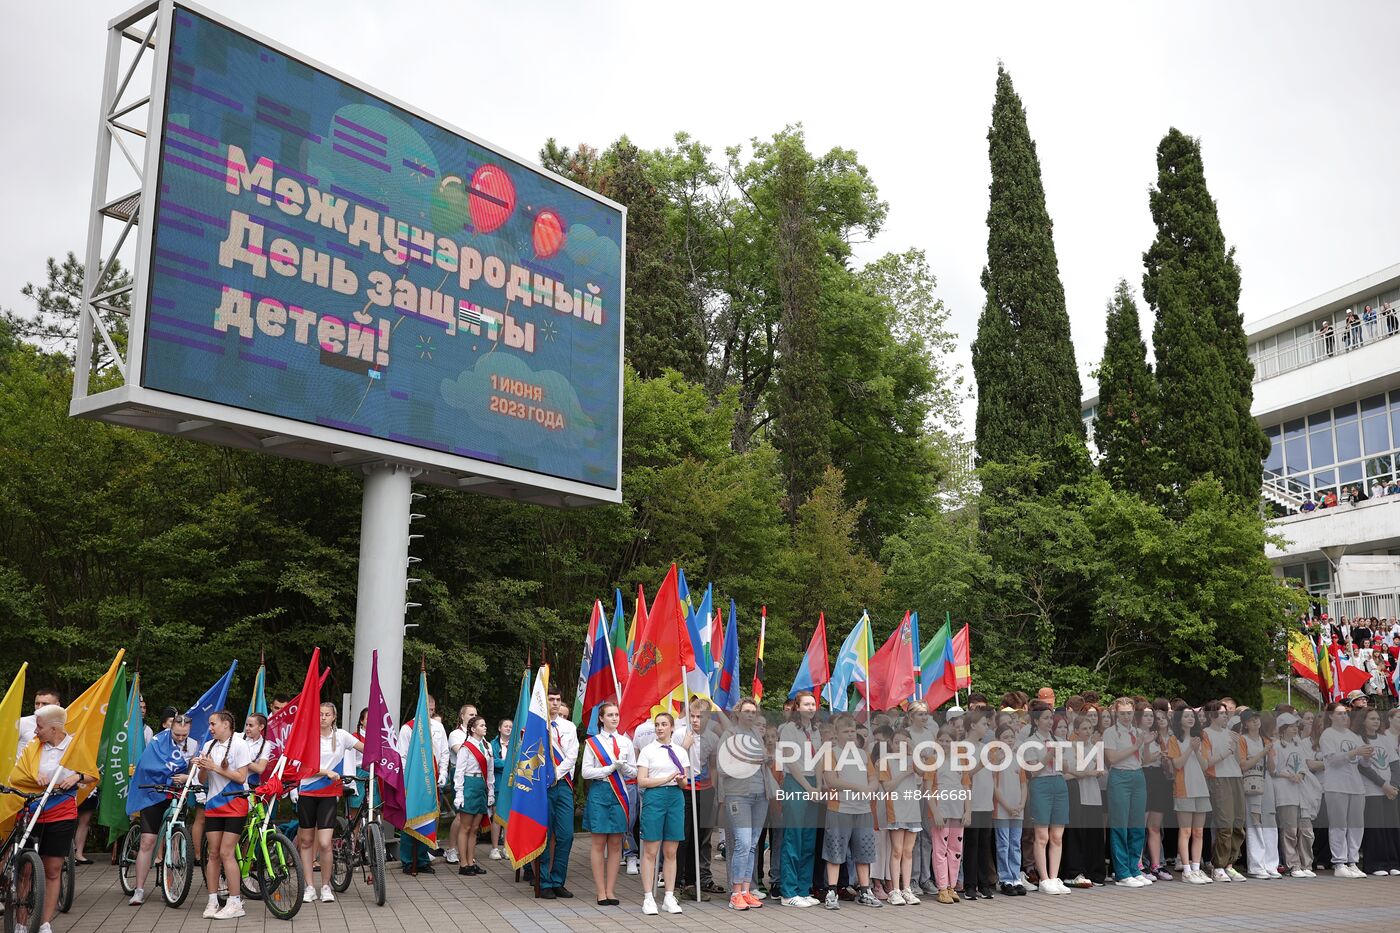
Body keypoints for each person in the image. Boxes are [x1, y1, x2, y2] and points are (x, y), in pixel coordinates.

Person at [10, 705, 94, 933]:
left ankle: (45, 922)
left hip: (62, 812)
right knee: (26, 869)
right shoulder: (32, 747)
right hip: (32, 810)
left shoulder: (75, 746)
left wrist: (77, 776)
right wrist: (33, 775)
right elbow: (17, 773)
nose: (36, 731)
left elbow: (92, 774)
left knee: (53, 869)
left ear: (55, 728)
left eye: (39, 727)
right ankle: (20, 921)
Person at [126, 713, 198, 906]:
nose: (181, 738)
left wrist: (187, 778)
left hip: (176, 794)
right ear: (170, 728)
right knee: (147, 841)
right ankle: (139, 890)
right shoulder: (158, 740)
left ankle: (170, 887)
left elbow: (193, 768)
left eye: (184, 735)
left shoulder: (194, 744)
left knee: (175, 842)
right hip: (153, 793)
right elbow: (147, 766)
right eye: (177, 734)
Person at [297, 701, 363, 904]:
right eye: (320, 714)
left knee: (325, 843)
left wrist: (382, 751)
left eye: (327, 714)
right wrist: (326, 772)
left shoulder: (341, 736)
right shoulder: (308, 735)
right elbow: (303, 765)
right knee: (307, 842)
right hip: (308, 791)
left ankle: (326, 886)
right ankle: (309, 886)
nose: (323, 717)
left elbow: (365, 748)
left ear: (334, 717)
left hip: (328, 794)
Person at [192, 710, 255, 919]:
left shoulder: (239, 744)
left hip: (235, 802)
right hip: (213, 804)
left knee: (227, 852)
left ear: (226, 724)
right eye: (210, 724)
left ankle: (235, 902)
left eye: (213, 724)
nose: (210, 728)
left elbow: (241, 777)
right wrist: (202, 767)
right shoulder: (209, 746)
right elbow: (202, 780)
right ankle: (212, 900)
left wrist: (215, 767)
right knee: (213, 853)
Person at [819, 714, 882, 909]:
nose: (850, 734)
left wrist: (871, 788)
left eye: (852, 731)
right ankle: (831, 891)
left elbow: (873, 778)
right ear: (837, 734)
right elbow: (831, 780)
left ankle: (865, 890)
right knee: (835, 852)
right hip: (840, 808)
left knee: (863, 852)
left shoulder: (863, 754)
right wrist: (857, 788)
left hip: (862, 810)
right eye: (845, 731)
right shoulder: (832, 753)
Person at [582, 701, 636, 906]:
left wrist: (622, 768)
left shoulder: (626, 742)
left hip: (620, 793)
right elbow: (586, 772)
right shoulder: (592, 743)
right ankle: (600, 891)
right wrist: (609, 768)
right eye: (610, 715)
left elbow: (634, 772)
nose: (614, 718)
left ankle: (611, 890)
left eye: (616, 714)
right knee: (598, 843)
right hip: (600, 791)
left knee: (615, 844)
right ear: (601, 718)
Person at [716, 697, 767, 910]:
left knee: (754, 844)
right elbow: (721, 768)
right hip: (738, 796)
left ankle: (746, 891)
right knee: (743, 843)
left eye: (753, 712)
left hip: (760, 795)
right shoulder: (730, 735)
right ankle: (735, 893)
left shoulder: (756, 734)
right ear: (737, 713)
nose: (750, 715)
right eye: (746, 711)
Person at [636, 712, 688, 915]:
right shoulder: (648, 751)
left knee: (671, 851)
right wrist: (666, 778)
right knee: (650, 850)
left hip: (675, 798)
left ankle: (668, 895)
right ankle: (648, 897)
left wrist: (681, 780)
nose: (660, 728)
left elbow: (684, 783)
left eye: (664, 724)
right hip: (654, 798)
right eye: (657, 724)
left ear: (672, 727)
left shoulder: (680, 752)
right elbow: (642, 780)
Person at [674, 697, 722, 900]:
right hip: (684, 789)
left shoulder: (712, 738)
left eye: (699, 717)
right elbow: (671, 762)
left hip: (705, 789)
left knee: (699, 837)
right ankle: (676, 883)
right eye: (692, 716)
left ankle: (693, 884)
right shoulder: (679, 735)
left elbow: (712, 766)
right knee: (682, 837)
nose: (694, 720)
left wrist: (716, 790)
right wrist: (684, 747)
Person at [396, 694, 449, 873]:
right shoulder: (408, 729)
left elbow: (444, 752)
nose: (430, 712)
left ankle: (423, 859)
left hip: (432, 780)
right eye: (427, 708)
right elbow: (401, 756)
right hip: (414, 781)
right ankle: (408, 860)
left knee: (429, 819)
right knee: (411, 820)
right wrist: (406, 780)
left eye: (432, 709)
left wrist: (443, 773)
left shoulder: (438, 727)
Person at [778, 691, 821, 907]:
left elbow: (820, 759)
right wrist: (808, 787)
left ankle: (803, 889)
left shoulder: (815, 730)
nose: (811, 708)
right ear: (797, 707)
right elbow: (791, 763)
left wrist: (819, 786)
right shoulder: (788, 729)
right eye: (807, 704)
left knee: (808, 840)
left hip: (813, 783)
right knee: (793, 838)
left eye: (813, 704)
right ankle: (788, 892)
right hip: (797, 783)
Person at [1103, 698, 1149, 886]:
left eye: (1129, 713)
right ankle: (1121, 872)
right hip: (1120, 776)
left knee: (1137, 824)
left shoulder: (1138, 732)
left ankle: (1134, 868)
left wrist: (1144, 745)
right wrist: (1135, 746)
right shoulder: (1110, 732)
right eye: (1122, 713)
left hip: (1138, 775)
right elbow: (1112, 758)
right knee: (1120, 824)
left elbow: (1143, 759)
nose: (1126, 716)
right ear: (1116, 713)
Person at [1319, 701, 1368, 876]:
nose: (1344, 716)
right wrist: (1354, 753)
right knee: (1339, 824)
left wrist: (1367, 755)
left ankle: (1352, 860)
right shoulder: (1328, 735)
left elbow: (1363, 763)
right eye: (1339, 713)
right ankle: (1339, 863)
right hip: (1336, 785)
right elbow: (1332, 760)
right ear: (1331, 716)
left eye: (1345, 713)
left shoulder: (1354, 736)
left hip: (1356, 785)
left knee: (1356, 825)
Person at [1023, 706, 1069, 894]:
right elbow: (1033, 770)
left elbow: (1066, 768)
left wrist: (1059, 755)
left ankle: (1054, 876)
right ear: (1036, 721)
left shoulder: (1059, 740)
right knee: (1042, 836)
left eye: (1051, 718)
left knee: (1057, 836)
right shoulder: (1030, 743)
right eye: (1045, 718)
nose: (1050, 721)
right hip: (1041, 784)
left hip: (1059, 783)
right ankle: (1043, 878)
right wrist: (1049, 754)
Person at [1201, 700, 1247, 882]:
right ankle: (1218, 866)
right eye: (1221, 713)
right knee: (1225, 824)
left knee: (1238, 824)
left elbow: (1239, 761)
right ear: (1212, 715)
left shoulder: (1232, 733)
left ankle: (1230, 864)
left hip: (1235, 777)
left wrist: (1235, 748)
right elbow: (1206, 762)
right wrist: (1227, 752)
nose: (1225, 716)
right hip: (1218, 779)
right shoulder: (1206, 733)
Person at [540, 689, 578, 898]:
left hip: (562, 784)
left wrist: (556, 773)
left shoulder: (568, 727)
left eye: (558, 700)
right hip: (542, 786)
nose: (555, 703)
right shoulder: (537, 725)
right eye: (551, 699)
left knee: (566, 835)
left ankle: (558, 880)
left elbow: (572, 755)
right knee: (544, 834)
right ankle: (544, 881)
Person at [1272, 712, 1320, 877]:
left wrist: (1300, 774)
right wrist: (1289, 775)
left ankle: (1307, 864)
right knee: (1290, 830)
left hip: (1301, 790)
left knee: (1306, 830)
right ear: (1283, 728)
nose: (1294, 729)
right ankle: (1293, 865)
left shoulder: (1298, 745)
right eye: (1291, 726)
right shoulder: (1276, 745)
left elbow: (1304, 765)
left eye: (1295, 726)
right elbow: (1274, 769)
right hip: (1285, 791)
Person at [1062, 713, 1105, 888]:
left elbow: (1101, 770)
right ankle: (1075, 871)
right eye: (1084, 729)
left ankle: (1095, 871)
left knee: (1094, 835)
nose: (1088, 732)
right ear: (1076, 730)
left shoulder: (1095, 747)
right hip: (1078, 794)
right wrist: (1086, 772)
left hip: (1093, 793)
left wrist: (1091, 770)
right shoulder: (1071, 747)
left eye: (1090, 728)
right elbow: (1068, 772)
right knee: (1077, 835)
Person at [1355, 708, 1400, 874]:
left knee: (1391, 827)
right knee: (1375, 829)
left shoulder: (1384, 739)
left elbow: (1395, 764)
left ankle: (1393, 862)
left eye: (1377, 719)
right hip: (1372, 790)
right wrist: (1383, 785)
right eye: (1372, 718)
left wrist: (1393, 786)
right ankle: (1376, 864)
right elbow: (1363, 767)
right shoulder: (1359, 739)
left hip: (1390, 790)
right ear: (1363, 721)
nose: (1376, 721)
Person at [1238, 710, 1280, 878]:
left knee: (1270, 820)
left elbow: (1272, 768)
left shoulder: (1266, 740)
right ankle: (1256, 865)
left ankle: (1271, 864)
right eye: (1251, 720)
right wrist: (1263, 752)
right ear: (1245, 723)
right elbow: (1243, 764)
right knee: (1254, 822)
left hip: (1266, 781)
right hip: (1251, 782)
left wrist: (1269, 755)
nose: (1255, 722)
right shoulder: (1243, 740)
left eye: (1257, 719)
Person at [452, 715, 494, 877]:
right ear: (473, 729)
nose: (485, 727)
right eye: (481, 725)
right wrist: (459, 793)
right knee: (466, 827)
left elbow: (490, 772)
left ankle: (471, 861)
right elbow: (459, 771)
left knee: (475, 828)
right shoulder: (466, 748)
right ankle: (463, 863)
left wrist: (490, 791)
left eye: (485, 725)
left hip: (481, 787)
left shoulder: (487, 746)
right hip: (469, 785)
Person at [962, 711, 996, 899]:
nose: (987, 726)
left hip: (986, 802)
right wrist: (982, 764)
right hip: (971, 803)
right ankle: (970, 885)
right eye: (984, 723)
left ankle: (984, 884)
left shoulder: (985, 747)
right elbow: (963, 775)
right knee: (971, 844)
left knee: (984, 844)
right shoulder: (962, 747)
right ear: (973, 725)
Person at [990, 723, 1026, 896]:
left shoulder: (1018, 758)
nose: (1009, 740)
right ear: (998, 740)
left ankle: (1016, 877)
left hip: (1018, 809)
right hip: (1002, 809)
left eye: (1011, 737)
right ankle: (1005, 878)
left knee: (1015, 844)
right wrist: (1007, 806)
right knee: (1003, 844)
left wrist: (1020, 805)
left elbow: (1024, 785)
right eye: (1005, 737)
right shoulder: (996, 759)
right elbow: (994, 786)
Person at [445, 704, 475, 866]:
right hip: (460, 774)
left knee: (472, 815)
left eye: (475, 715)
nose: (473, 717)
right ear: (462, 716)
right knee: (460, 814)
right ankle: (451, 849)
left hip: (475, 777)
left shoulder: (478, 735)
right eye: (470, 714)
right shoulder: (456, 734)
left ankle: (466, 852)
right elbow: (461, 752)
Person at [488, 718, 512, 860]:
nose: (508, 728)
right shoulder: (493, 744)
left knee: (509, 816)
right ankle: (494, 848)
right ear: (499, 728)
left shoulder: (516, 744)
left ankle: (507, 847)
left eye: (510, 727)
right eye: (506, 726)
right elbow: (493, 761)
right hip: (498, 783)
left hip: (511, 784)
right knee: (497, 816)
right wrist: (507, 764)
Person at [15, 686, 61, 759]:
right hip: (23, 769)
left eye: (45, 704)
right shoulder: (22, 723)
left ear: (57, 705)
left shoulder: (62, 725)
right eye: (37, 703)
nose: (40, 707)